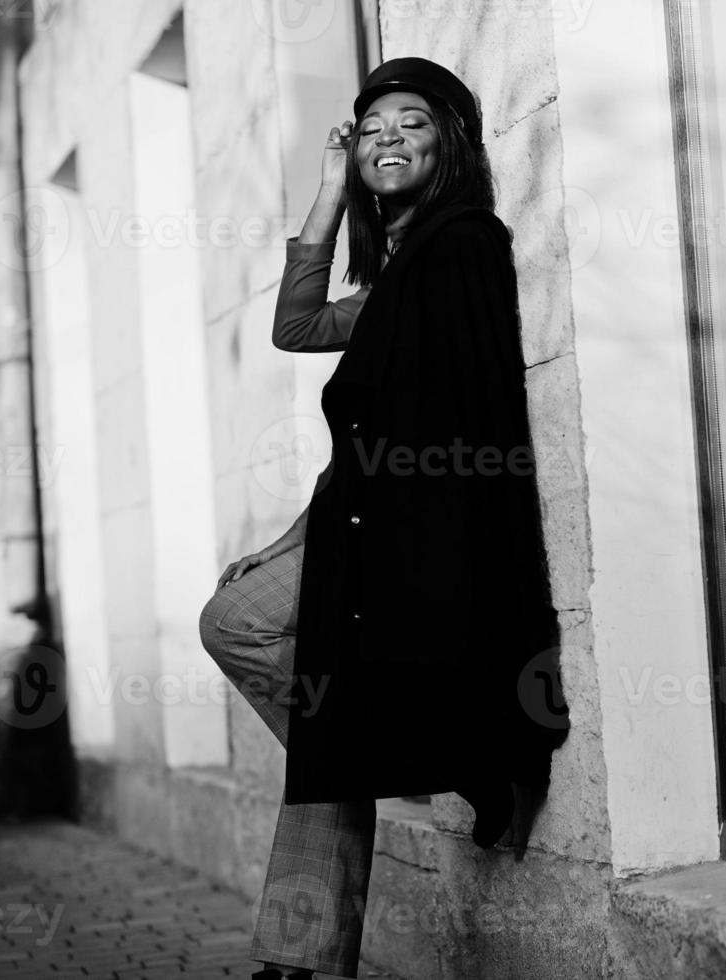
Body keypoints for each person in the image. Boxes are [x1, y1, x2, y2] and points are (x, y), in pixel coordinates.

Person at [198, 58, 569, 980]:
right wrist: (325, 196)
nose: (385, 138)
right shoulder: (393, 276)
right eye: (369, 130)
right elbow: (295, 326)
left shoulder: (461, 244)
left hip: (407, 526)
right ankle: (378, 747)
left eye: (411, 122)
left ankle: (297, 958)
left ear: (448, 140)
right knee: (248, 632)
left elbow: (460, 413)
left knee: (328, 726)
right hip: (349, 518)